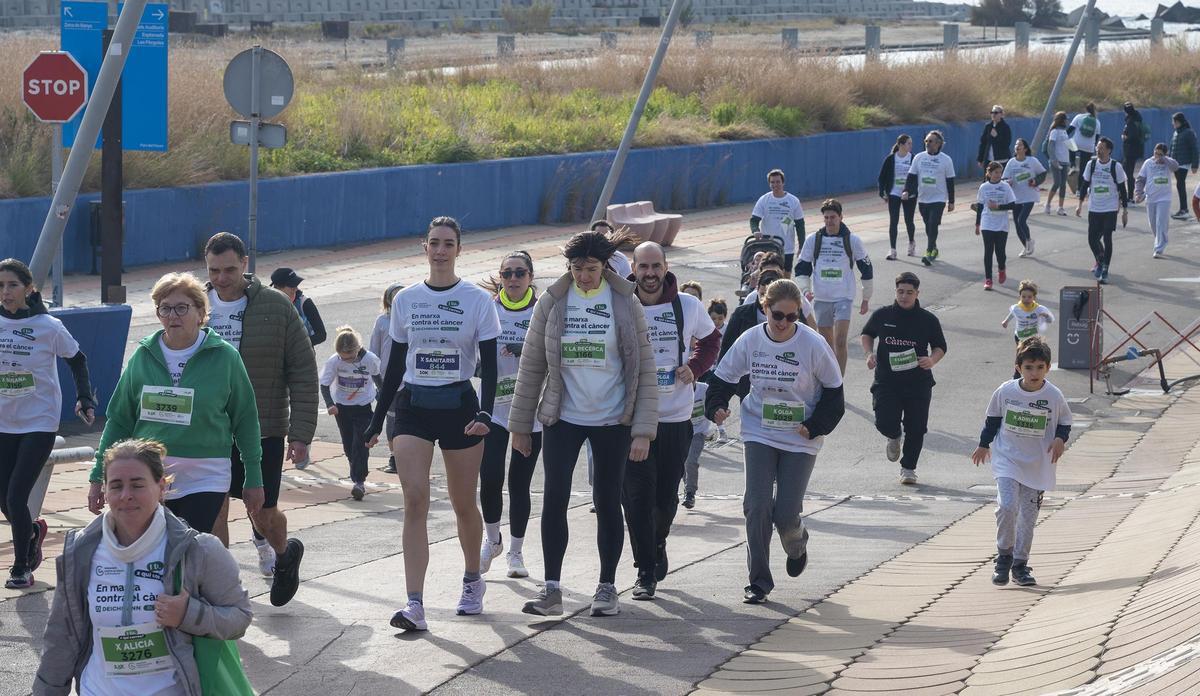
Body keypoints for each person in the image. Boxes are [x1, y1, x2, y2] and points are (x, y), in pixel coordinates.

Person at [508, 230, 657, 618]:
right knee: (554, 498)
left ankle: (607, 587)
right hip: (564, 416)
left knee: (608, 501)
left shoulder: (625, 302)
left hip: (612, 419)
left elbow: (644, 368)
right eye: (576, 269)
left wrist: (642, 430)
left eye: (590, 269)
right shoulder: (553, 301)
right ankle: (552, 588)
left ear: (604, 266)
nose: (583, 277)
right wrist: (520, 425)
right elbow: (531, 366)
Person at [364, 216, 501, 631]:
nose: (441, 250)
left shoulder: (477, 300)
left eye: (448, 243)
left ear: (459, 249)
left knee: (463, 503)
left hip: (460, 406)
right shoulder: (406, 299)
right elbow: (393, 368)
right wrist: (375, 420)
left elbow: (491, 366)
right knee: (415, 500)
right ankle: (415, 604)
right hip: (413, 406)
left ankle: (472, 580)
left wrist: (485, 414)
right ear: (424, 248)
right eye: (434, 243)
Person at [36, 439, 252, 695]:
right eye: (116, 485)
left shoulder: (198, 550)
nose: (126, 495)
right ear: (105, 490)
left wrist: (188, 614)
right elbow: (61, 636)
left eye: (137, 484)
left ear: (161, 487)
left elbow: (239, 617)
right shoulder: (81, 552)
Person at [706, 279, 845, 604]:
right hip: (759, 430)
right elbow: (723, 377)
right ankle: (759, 582)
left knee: (784, 514)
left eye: (791, 317)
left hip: (801, 437)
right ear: (764, 309)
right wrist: (717, 406)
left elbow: (835, 395)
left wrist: (814, 426)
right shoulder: (751, 339)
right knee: (756, 506)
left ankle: (797, 543)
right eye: (777, 315)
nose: (783, 323)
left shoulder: (812, 345)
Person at [204, 232, 316, 607]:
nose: (221, 278)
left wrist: (300, 434)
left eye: (229, 270)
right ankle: (221, 592)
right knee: (213, 508)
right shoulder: (193, 304)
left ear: (246, 264)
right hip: (206, 430)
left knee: (262, 512)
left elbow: (302, 369)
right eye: (214, 271)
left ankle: (285, 554)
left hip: (263, 427)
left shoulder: (276, 307)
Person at [623, 242, 719, 600]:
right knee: (635, 498)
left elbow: (711, 341)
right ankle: (644, 570)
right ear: (633, 267)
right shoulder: (622, 303)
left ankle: (658, 541)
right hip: (631, 418)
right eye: (643, 266)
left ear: (666, 267)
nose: (649, 274)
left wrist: (693, 368)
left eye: (655, 266)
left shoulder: (688, 306)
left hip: (675, 416)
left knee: (665, 497)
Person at [0, 259, 95, 589]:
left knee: (15, 496)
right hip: (3, 421)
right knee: (4, 497)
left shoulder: (48, 326)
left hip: (38, 421)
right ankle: (33, 532)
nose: (5, 292)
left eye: (11, 285)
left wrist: (85, 398)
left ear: (28, 289)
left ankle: (21, 565)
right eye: (0, 286)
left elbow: (77, 359)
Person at [971, 337, 1072, 588]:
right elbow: (993, 420)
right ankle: (1003, 556)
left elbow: (1065, 422)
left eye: (1039, 367)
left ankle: (1020, 565)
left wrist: (1060, 439)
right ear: (1019, 368)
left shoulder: (1053, 395)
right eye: (1028, 367)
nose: (1034, 373)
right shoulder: (1006, 391)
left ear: (1047, 368)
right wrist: (984, 445)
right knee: (1007, 506)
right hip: (1008, 460)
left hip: (1037, 464)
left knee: (1027, 518)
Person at [477, 251, 542, 579]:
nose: (513, 279)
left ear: (531, 276)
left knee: (519, 484)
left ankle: (515, 553)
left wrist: (527, 349)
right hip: (495, 411)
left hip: (531, 413)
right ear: (500, 277)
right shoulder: (489, 310)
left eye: (520, 273)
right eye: (507, 274)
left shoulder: (543, 308)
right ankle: (493, 540)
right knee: (488, 478)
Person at [860, 272, 947, 485]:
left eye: (909, 292)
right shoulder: (883, 315)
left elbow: (940, 346)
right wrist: (869, 354)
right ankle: (893, 435)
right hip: (887, 381)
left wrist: (932, 360)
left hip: (918, 382)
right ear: (895, 291)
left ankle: (908, 468)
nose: (904, 296)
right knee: (884, 421)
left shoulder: (927, 319)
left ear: (917, 293)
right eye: (900, 291)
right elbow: (867, 334)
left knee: (916, 427)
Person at [794, 198, 873, 374]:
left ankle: (839, 383)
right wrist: (805, 290)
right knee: (826, 343)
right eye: (826, 217)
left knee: (840, 340)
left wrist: (866, 297)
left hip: (843, 297)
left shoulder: (853, 240)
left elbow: (866, 269)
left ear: (841, 217)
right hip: (821, 298)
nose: (829, 221)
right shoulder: (813, 240)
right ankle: (828, 378)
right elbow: (801, 268)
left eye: (833, 217)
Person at [320, 326, 381, 501]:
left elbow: (379, 380)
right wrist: (330, 404)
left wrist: (383, 402)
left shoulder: (370, 360)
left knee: (360, 444)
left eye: (350, 358)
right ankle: (358, 472)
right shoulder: (334, 361)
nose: (346, 361)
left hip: (363, 407)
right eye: (343, 358)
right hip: (342, 408)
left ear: (358, 349)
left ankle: (359, 482)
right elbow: (324, 384)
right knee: (348, 446)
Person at [1075, 137, 1129, 285]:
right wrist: (1079, 204)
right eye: (1097, 147)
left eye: (1102, 148)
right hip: (1094, 207)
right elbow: (1084, 184)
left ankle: (1105, 268)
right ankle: (1100, 260)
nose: (1098, 150)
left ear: (1109, 150)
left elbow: (1122, 190)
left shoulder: (1115, 166)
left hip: (1110, 208)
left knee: (1107, 237)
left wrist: (1125, 211)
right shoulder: (1091, 164)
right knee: (1092, 238)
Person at [903, 130, 956, 266]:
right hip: (923, 198)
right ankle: (934, 248)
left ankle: (928, 252)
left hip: (938, 198)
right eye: (926, 141)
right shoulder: (919, 158)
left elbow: (950, 181)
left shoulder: (946, 160)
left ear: (938, 143)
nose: (927, 143)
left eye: (930, 141)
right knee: (928, 226)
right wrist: (907, 191)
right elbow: (911, 176)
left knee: (933, 224)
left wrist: (951, 201)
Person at [369, 282, 405, 474]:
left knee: (407, 418)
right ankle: (394, 457)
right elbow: (374, 350)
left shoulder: (412, 319)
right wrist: (374, 379)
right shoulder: (382, 321)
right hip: (386, 380)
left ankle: (407, 455)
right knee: (391, 418)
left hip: (409, 379)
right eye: (395, 296)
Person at [751, 169, 806, 273]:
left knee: (785, 277)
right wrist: (755, 230)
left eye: (778, 182)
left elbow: (800, 225)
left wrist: (801, 246)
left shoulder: (793, 201)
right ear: (769, 184)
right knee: (767, 275)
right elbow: (754, 220)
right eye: (772, 182)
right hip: (768, 245)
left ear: (783, 183)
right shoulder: (764, 200)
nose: (775, 185)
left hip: (786, 247)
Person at [974, 161, 1018, 291]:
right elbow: (980, 206)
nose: (998, 175)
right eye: (995, 172)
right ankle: (988, 279)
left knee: (1000, 251)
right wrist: (977, 224)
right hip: (987, 222)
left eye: (1000, 172)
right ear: (989, 173)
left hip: (1002, 223)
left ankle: (1001, 268)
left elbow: (1013, 205)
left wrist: (999, 206)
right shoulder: (984, 187)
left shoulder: (1005, 187)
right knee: (988, 251)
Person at [1135, 142, 1181, 259]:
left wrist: (1164, 159)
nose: (1157, 156)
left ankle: (1159, 248)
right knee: (1153, 224)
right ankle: (1161, 239)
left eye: (1160, 154)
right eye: (1156, 153)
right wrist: (1138, 193)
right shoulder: (1148, 163)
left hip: (1164, 198)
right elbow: (1140, 179)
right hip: (1151, 198)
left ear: (1165, 154)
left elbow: (1176, 166)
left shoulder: (1168, 163)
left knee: (1161, 222)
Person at [1002, 138, 1047, 258]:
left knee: (1021, 220)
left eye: (1020, 145)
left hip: (1029, 195)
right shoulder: (1011, 162)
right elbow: (1004, 178)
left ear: (1025, 148)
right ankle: (1026, 246)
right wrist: (1008, 182)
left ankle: (1028, 240)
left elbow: (1043, 173)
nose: (1017, 146)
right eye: (1016, 144)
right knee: (1017, 225)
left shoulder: (1032, 161)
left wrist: (1035, 181)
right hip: (1016, 197)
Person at [1002, 280, 1055, 379]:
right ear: (1020, 297)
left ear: (1034, 298)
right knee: (1020, 354)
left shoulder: (1039, 309)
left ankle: (1034, 372)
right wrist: (1006, 321)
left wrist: (1046, 316)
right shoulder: (1017, 308)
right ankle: (1017, 373)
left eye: (1029, 297)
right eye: (1023, 297)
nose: (1026, 299)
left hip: (1033, 337)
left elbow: (1051, 320)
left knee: (1032, 355)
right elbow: (1013, 314)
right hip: (1020, 335)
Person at [878, 134, 918, 260]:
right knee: (893, 221)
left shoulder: (913, 158)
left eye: (911, 143)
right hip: (894, 193)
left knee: (908, 220)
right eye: (908, 143)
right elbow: (882, 177)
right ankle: (893, 249)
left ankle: (911, 242)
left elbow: (917, 178)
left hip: (909, 195)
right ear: (901, 145)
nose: (911, 146)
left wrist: (909, 191)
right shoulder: (890, 159)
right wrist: (882, 192)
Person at [270, 267, 327, 346]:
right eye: (292, 286)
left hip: (302, 356)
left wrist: (298, 346)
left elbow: (321, 335)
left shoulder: (304, 302)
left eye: (296, 285)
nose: (296, 289)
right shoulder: (268, 305)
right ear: (278, 288)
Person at [681, 380, 713, 510]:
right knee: (681, 462)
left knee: (691, 461)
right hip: (680, 432)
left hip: (698, 432)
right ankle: (687, 486)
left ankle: (690, 493)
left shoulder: (704, 389)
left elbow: (714, 401)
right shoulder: (677, 390)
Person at [1169, 112, 1198, 219]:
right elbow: (1172, 147)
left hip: (1184, 163)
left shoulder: (1189, 132)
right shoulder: (1176, 133)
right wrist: (1169, 161)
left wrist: (1195, 164)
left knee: (1180, 184)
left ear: (1178, 121)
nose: (1173, 124)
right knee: (1179, 185)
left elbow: (1195, 149)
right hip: (1176, 163)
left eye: (1174, 122)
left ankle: (1184, 210)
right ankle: (1183, 209)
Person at [1045, 112, 1072, 216]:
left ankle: (1060, 207)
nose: (1067, 121)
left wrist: (1071, 159)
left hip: (1065, 161)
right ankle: (1048, 204)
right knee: (1057, 183)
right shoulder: (1054, 131)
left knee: (1063, 185)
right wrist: (1053, 160)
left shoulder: (1064, 132)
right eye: (1066, 119)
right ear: (1062, 120)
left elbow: (1069, 146)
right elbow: (1050, 146)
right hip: (1056, 161)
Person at [1121, 101, 1146, 203]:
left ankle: (1132, 196)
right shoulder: (1137, 119)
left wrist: (1124, 137)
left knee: (1128, 173)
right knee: (1126, 171)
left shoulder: (1131, 122)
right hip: (1135, 150)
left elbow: (1132, 136)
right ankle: (1134, 194)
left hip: (1131, 151)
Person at [977, 105, 1013, 170]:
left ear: (1001, 114)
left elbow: (1006, 144)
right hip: (989, 160)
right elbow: (983, 143)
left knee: (1000, 179)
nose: (993, 114)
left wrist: (996, 136)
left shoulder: (1005, 127)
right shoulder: (988, 126)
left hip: (1002, 160)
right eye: (992, 112)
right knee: (988, 179)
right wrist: (980, 159)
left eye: (996, 113)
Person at [1069, 102, 1100, 170]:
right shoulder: (1097, 122)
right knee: (1084, 169)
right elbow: (1097, 137)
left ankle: (1072, 164)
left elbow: (1069, 130)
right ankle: (1082, 179)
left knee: (1070, 144)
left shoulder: (1079, 117)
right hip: (1089, 147)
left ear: (1086, 109)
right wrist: (1093, 146)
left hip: (1076, 143)